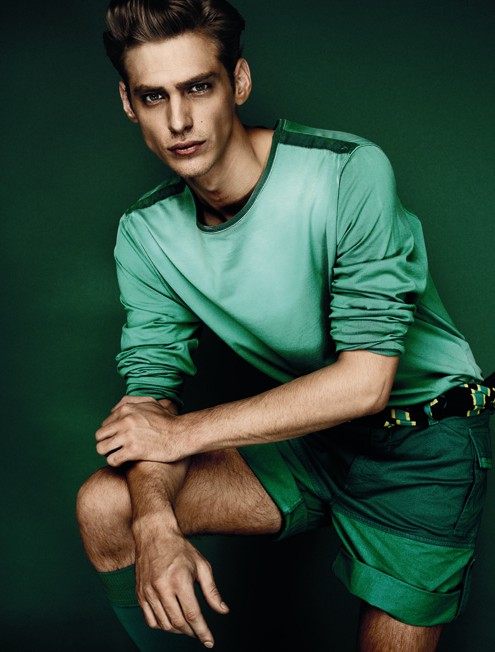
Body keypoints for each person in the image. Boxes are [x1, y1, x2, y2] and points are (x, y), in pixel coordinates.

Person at [76, 1, 494, 650]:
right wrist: (155, 522)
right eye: (154, 96)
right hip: (311, 440)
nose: (179, 120)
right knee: (108, 505)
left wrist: (181, 433)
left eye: (198, 87)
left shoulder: (347, 171)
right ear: (129, 104)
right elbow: (149, 398)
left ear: (238, 82)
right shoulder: (145, 232)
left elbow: (365, 383)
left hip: (424, 439)